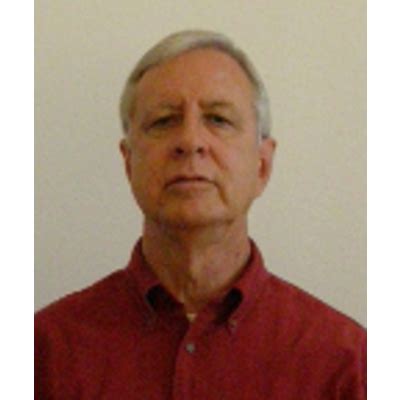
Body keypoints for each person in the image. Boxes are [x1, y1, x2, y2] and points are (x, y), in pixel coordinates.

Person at [35, 30, 366, 399]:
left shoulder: (346, 363)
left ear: (262, 165)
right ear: (129, 164)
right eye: (164, 121)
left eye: (218, 119)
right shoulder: (43, 353)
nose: (190, 141)